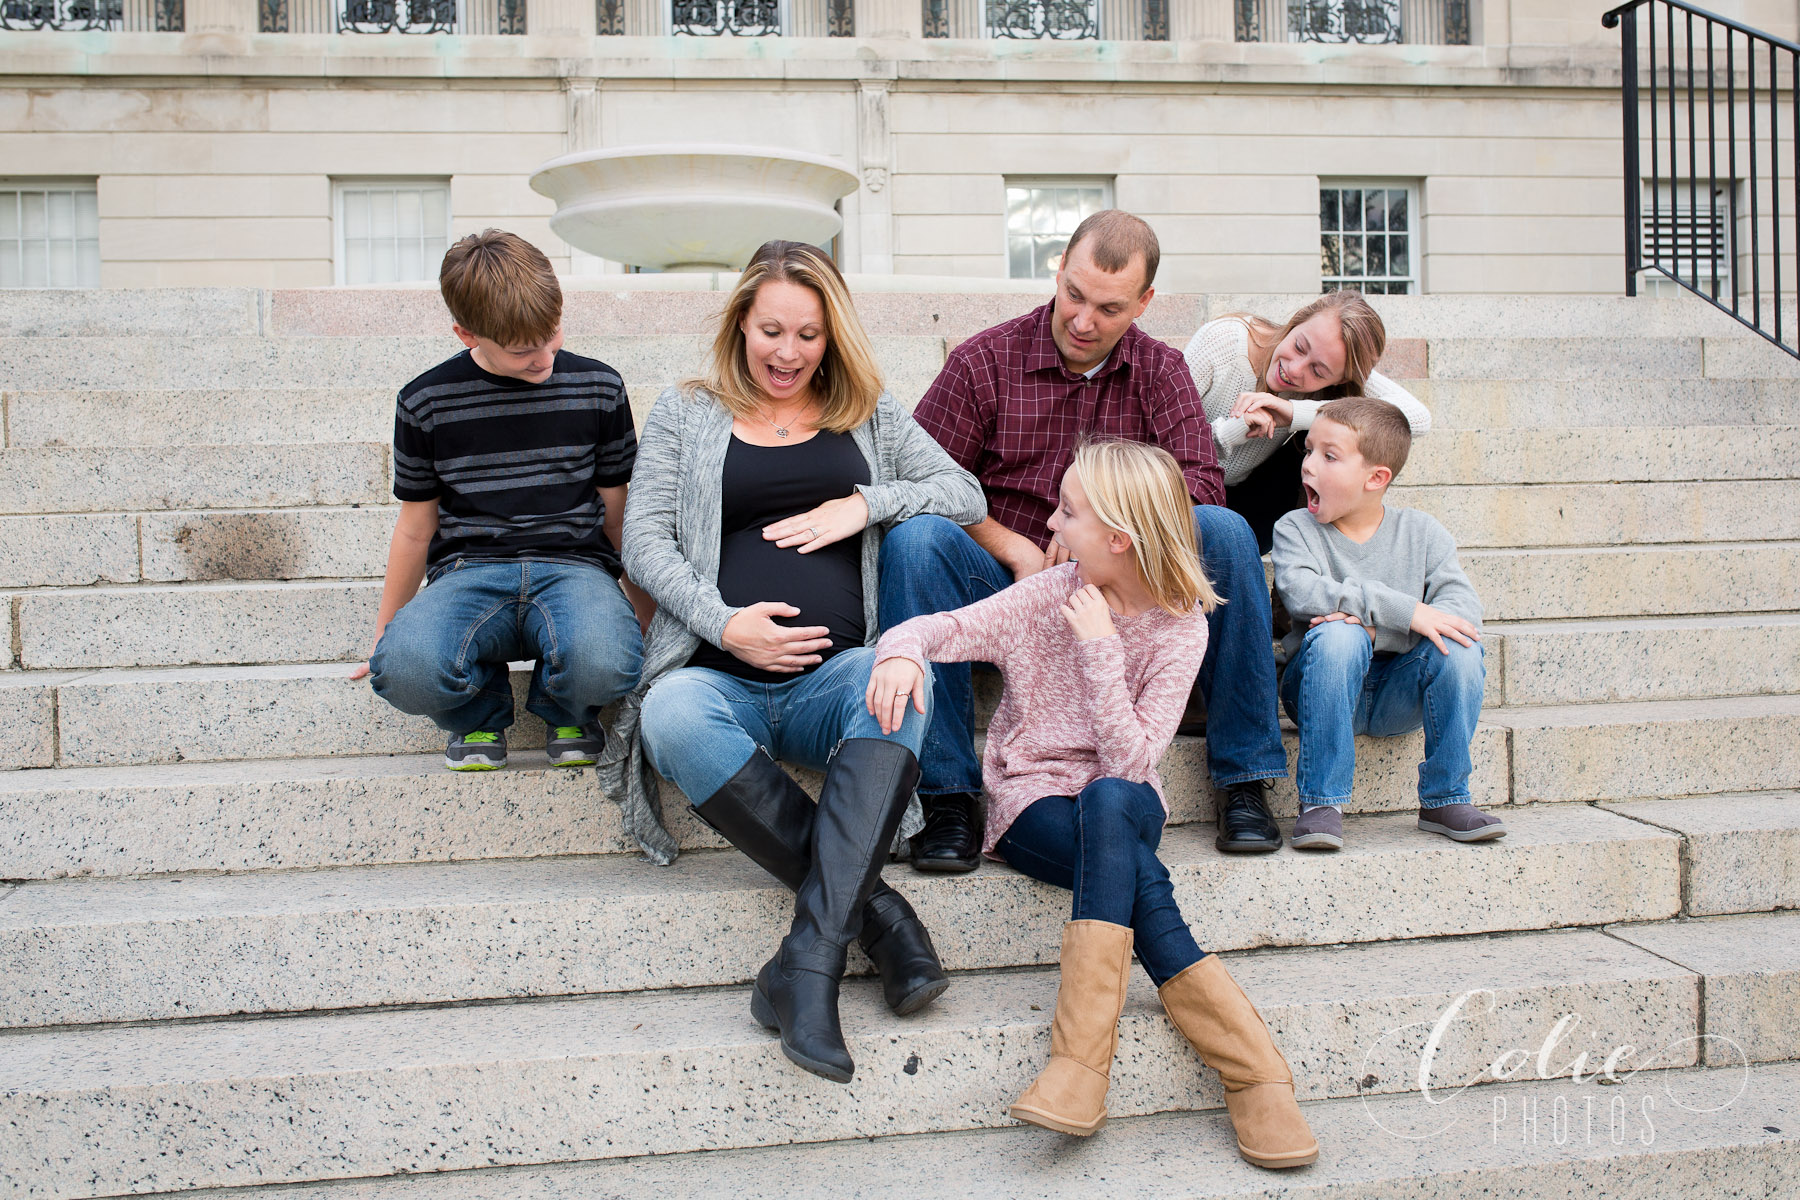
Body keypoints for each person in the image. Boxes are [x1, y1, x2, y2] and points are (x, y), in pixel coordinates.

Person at [870, 439, 1317, 1170]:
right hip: (1033, 800)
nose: (1051, 523)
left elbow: (1134, 761)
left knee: (1112, 796)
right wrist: (898, 650)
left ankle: (1080, 1067)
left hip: (1125, 795)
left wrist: (1102, 649)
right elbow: (944, 629)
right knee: (1140, 879)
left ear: (1119, 538)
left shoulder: (1181, 625)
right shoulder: (1049, 594)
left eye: (1069, 512)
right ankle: (1255, 1073)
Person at [616, 240, 987, 1085]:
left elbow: (965, 494)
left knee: (903, 677)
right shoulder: (687, 412)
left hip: (833, 680)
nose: (788, 353)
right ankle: (880, 918)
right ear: (741, 323)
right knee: (670, 713)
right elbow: (643, 542)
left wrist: (866, 502)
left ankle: (806, 964)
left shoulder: (869, 411)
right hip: (720, 676)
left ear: (835, 334)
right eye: (771, 330)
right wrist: (726, 623)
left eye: (809, 335)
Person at [880, 208, 1290, 866]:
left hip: (1125, 596)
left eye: (1108, 307)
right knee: (916, 540)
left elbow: (1203, 485)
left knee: (1224, 529)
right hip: (1004, 581)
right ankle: (947, 796)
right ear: (1058, 270)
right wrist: (1011, 544)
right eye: (1074, 294)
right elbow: (916, 480)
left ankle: (1243, 778)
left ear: (1144, 302)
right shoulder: (984, 361)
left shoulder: (1160, 372)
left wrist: (1103, 526)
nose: (1082, 319)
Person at [359, 229, 651, 771]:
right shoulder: (425, 401)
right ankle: (478, 711)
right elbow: (416, 528)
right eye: (523, 350)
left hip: (575, 569)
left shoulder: (599, 388)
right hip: (469, 571)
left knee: (609, 661)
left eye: (553, 334)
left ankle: (565, 706)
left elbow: (618, 516)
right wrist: (386, 626)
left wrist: (645, 606)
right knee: (402, 670)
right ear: (466, 334)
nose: (545, 357)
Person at [1272, 396, 1504, 850]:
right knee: (1339, 634)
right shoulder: (1294, 529)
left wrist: (1382, 629)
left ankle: (1445, 796)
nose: (1309, 466)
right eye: (1308, 449)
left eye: (1329, 456)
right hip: (1321, 686)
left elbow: (1462, 613)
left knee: (1458, 645)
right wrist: (1407, 612)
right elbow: (1301, 593)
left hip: (1400, 696)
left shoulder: (1423, 532)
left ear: (1376, 478)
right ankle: (1321, 803)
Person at [1183, 290, 1431, 556]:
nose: (1294, 369)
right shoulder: (1223, 342)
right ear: (1297, 321)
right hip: (1180, 490)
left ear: (1339, 379)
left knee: (1328, 435)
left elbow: (1417, 418)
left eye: (1318, 371)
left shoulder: (1336, 367)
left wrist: (1293, 412)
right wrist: (1229, 433)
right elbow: (1156, 441)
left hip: (1249, 504)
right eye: (1299, 346)